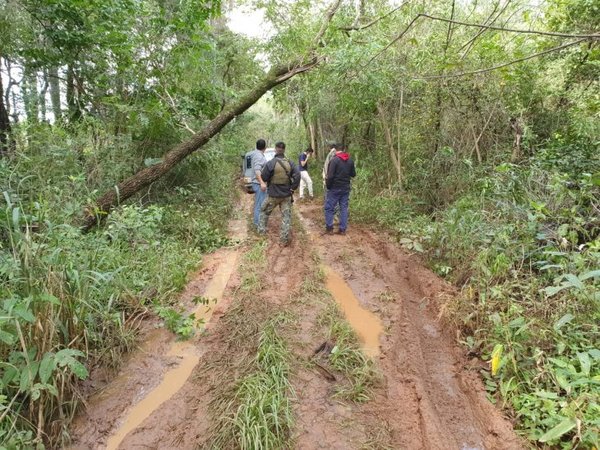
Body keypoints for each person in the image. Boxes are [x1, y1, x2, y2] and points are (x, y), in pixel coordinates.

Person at [258, 142, 300, 246]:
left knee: (264, 212)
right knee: (286, 217)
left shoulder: (271, 163)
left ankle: (261, 235)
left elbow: (263, 178)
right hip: (286, 195)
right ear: (284, 150)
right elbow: (298, 175)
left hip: (273, 195)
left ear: (276, 149)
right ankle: (283, 241)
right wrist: (292, 188)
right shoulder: (290, 163)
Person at [324, 144, 356, 235]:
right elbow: (353, 174)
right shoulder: (350, 160)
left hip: (334, 188)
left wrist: (328, 186)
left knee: (329, 208)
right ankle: (342, 230)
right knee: (344, 208)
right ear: (344, 149)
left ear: (335, 150)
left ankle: (329, 228)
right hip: (345, 188)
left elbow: (330, 176)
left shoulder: (334, 161)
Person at [250, 139, 268, 229]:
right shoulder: (259, 156)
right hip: (258, 183)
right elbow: (257, 170)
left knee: (260, 204)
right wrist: (262, 183)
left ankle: (259, 224)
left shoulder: (256, 154)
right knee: (260, 205)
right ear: (265, 147)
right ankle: (258, 225)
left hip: (258, 183)